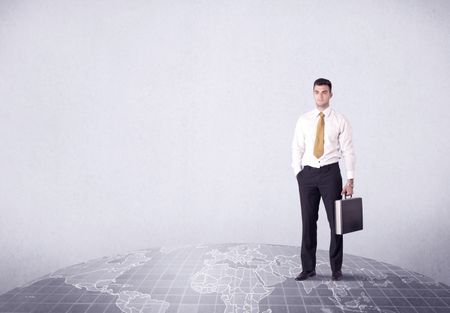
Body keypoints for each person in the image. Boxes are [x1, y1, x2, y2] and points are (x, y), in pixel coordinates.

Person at [291, 78, 355, 281]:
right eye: (317, 92)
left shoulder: (340, 120)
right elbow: (297, 148)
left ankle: (336, 269)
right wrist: (298, 173)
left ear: (331, 94)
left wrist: (350, 179)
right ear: (313, 93)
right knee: (308, 222)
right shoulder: (304, 120)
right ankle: (308, 268)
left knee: (336, 223)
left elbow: (349, 151)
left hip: (330, 174)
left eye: (324, 92)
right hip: (307, 175)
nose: (320, 96)